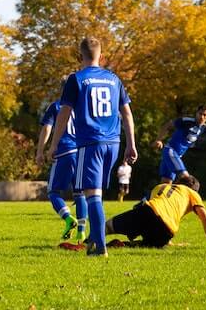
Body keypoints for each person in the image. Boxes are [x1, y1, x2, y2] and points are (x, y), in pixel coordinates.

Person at [48, 37, 137, 257]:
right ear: (102, 56)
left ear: (80, 57)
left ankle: (99, 246)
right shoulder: (114, 79)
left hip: (90, 142)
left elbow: (64, 113)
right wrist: (131, 144)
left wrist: (54, 144)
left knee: (92, 195)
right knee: (96, 194)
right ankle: (94, 242)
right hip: (114, 143)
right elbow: (126, 113)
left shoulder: (76, 79)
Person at [103, 174, 206, 250]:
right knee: (147, 245)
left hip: (149, 211)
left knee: (108, 227)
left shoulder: (161, 186)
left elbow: (146, 207)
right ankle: (124, 245)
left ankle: (88, 242)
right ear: (195, 189)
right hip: (166, 231)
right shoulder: (192, 193)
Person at [36, 91, 88, 244]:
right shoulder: (83, 106)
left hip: (64, 151)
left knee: (53, 192)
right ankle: (81, 233)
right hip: (81, 152)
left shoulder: (57, 106)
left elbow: (47, 128)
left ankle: (68, 218)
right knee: (80, 193)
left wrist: (40, 151)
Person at [154, 105, 206, 184]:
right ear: (196, 114)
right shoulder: (186, 121)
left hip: (177, 156)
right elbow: (168, 125)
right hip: (171, 151)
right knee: (187, 179)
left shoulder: (204, 128)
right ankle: (186, 196)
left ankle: (148, 197)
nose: (202, 117)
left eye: (204, 115)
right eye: (200, 114)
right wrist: (158, 140)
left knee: (165, 184)